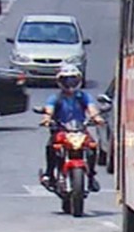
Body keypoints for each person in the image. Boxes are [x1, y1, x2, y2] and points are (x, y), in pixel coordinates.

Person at [40, 64, 104, 192]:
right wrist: (47, 119)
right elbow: (49, 110)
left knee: (92, 146)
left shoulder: (83, 97)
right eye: (66, 80)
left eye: (73, 80)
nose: (70, 84)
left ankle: (91, 176)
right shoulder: (55, 98)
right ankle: (49, 173)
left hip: (79, 130)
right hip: (61, 130)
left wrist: (97, 118)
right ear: (59, 81)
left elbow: (92, 108)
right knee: (51, 146)